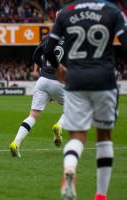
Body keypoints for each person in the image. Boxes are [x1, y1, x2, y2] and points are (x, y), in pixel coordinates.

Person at [44, 1, 127, 200]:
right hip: (104, 80)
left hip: (75, 79)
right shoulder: (113, 11)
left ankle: (70, 168)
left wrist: (58, 68)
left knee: (77, 137)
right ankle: (100, 195)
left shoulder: (66, 13)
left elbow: (49, 50)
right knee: (104, 138)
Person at [9, 37, 66, 158]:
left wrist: (43, 68)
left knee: (33, 116)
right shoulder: (73, 38)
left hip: (43, 80)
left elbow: (35, 56)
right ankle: (59, 126)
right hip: (59, 80)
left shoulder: (49, 38)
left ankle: (16, 143)